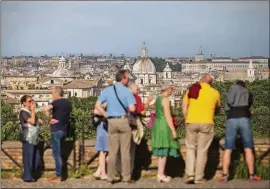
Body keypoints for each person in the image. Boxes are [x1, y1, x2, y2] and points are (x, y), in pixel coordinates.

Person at [95, 69, 136, 184]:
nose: (128, 79)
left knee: (112, 151)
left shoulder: (107, 90)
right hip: (123, 121)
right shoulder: (127, 92)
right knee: (125, 151)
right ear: (123, 78)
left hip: (111, 122)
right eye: (127, 78)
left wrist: (105, 114)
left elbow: (97, 105)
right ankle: (126, 177)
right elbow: (132, 108)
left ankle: (109, 177)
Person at [219, 80, 261, 182]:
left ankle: (225, 175)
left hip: (232, 118)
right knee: (248, 148)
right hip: (244, 118)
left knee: (228, 148)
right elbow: (249, 104)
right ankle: (252, 175)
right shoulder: (247, 92)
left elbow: (229, 103)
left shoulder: (231, 89)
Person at [182, 74, 220, 184]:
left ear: (201, 80)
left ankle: (189, 174)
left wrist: (186, 118)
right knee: (202, 150)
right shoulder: (215, 92)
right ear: (211, 83)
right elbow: (217, 108)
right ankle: (198, 177)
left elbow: (184, 105)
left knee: (190, 148)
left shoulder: (192, 89)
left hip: (191, 121)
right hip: (207, 122)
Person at [116, 82, 153, 179]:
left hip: (119, 124)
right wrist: (148, 101)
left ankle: (120, 171)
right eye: (137, 89)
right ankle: (129, 174)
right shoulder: (136, 98)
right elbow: (142, 112)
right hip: (131, 126)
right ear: (131, 89)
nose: (139, 90)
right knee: (131, 151)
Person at [151, 81, 179, 183]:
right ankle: (161, 174)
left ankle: (160, 173)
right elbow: (167, 116)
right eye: (172, 88)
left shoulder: (158, 98)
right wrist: (173, 130)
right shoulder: (166, 100)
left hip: (157, 125)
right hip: (163, 125)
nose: (173, 90)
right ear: (167, 89)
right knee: (164, 149)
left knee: (161, 149)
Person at [43, 86, 72, 183]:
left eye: (52, 93)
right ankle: (62, 174)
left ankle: (59, 176)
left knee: (56, 154)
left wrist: (50, 118)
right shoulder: (67, 103)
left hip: (56, 130)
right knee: (59, 153)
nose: (52, 95)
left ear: (56, 93)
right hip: (64, 130)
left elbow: (46, 109)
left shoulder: (55, 102)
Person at [19, 95, 43, 182]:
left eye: (32, 101)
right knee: (29, 158)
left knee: (37, 158)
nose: (32, 103)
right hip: (27, 137)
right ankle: (27, 177)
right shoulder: (23, 112)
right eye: (29, 101)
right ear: (24, 103)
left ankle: (27, 174)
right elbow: (32, 122)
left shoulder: (29, 112)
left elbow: (36, 121)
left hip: (33, 137)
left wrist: (38, 120)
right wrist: (33, 110)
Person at [93, 103, 108, 180]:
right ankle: (103, 173)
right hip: (103, 127)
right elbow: (95, 111)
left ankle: (99, 172)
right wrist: (105, 113)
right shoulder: (104, 100)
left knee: (112, 152)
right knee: (103, 151)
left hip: (109, 128)